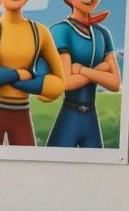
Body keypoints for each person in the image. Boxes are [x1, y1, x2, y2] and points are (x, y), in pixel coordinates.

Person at [0, 0, 65, 146]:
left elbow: (58, 84)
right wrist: (22, 75)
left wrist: (37, 86)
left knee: (28, 165)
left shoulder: (39, 32)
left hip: (22, 113)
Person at [46, 0, 120, 148]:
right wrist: (101, 70)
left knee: (99, 169)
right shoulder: (61, 31)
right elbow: (66, 82)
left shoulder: (102, 33)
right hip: (70, 117)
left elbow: (115, 83)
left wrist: (81, 70)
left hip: (91, 118)